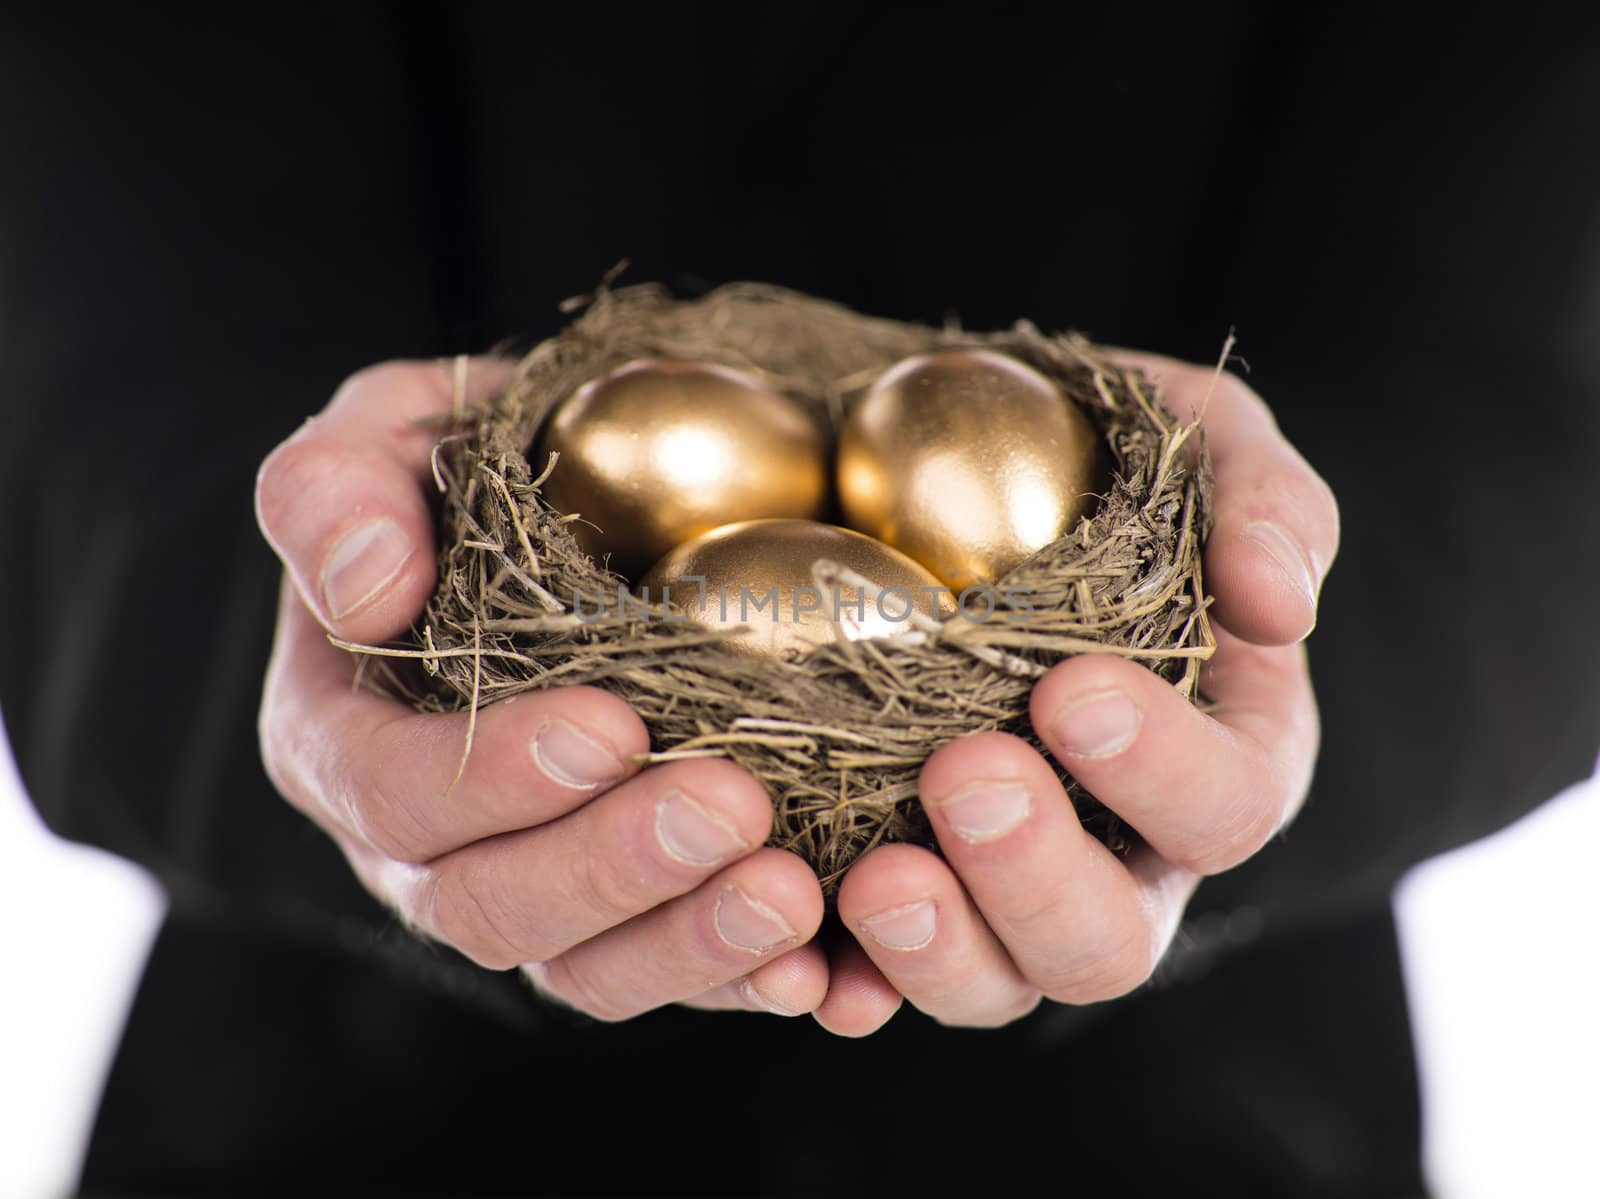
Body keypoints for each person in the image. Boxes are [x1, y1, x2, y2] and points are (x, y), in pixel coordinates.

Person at [3, 4, 1597, 1194]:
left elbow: (1534, 440)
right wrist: (357, 654)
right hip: (326, 1125)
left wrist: (1242, 689)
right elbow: (89, 417)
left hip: (1205, 1132)